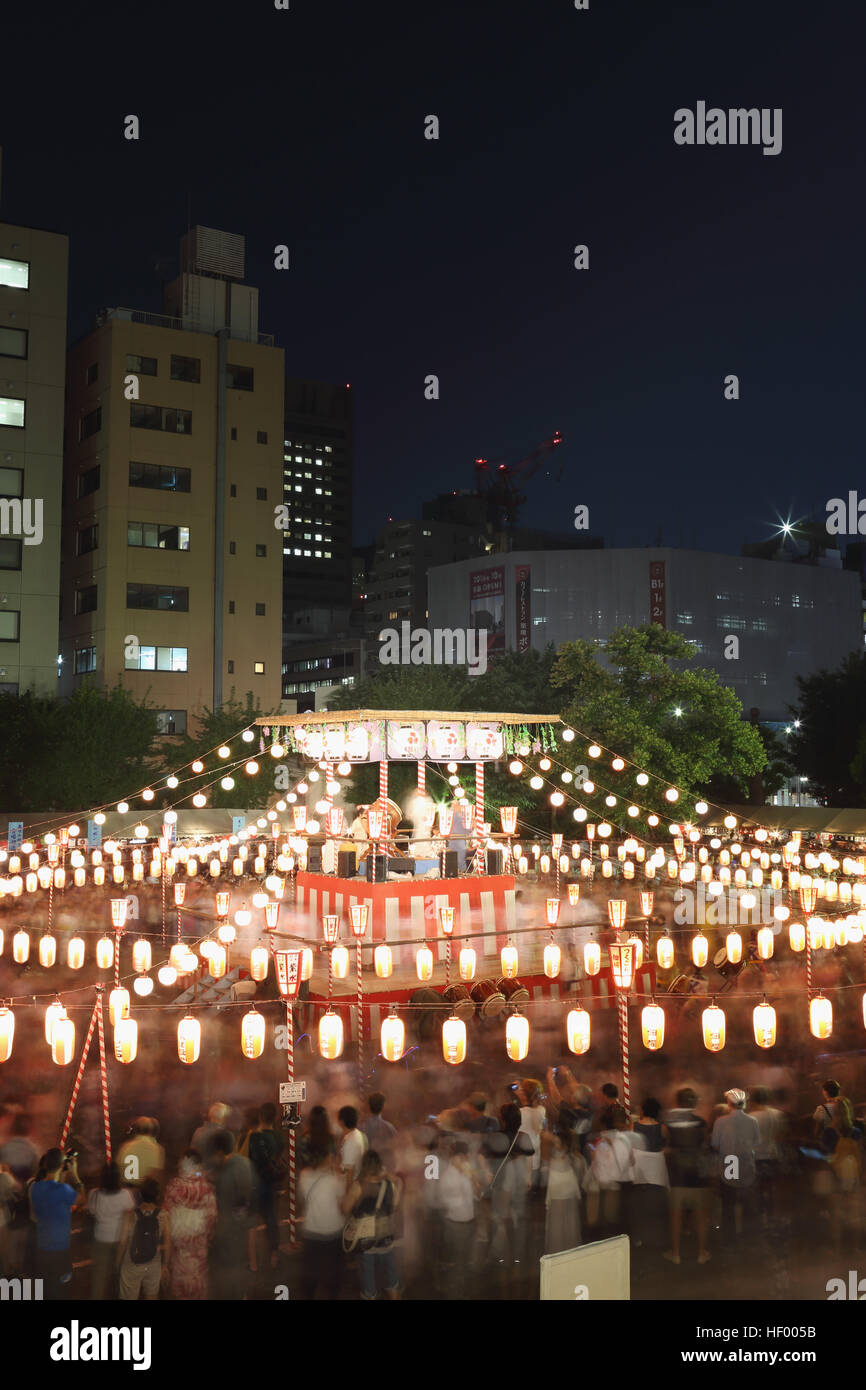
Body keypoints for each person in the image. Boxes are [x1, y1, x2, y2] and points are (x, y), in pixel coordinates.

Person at [342, 1149, 402, 1300]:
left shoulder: (358, 1186)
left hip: (366, 1243)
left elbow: (345, 1209)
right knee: (392, 1282)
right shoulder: (390, 1185)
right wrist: (396, 1180)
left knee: (369, 1287)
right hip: (386, 1240)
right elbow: (394, 1206)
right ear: (380, 1166)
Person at [663, 1088, 711, 1265]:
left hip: (677, 1171)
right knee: (700, 1214)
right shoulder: (700, 1122)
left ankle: (675, 1253)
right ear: (693, 1103)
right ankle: (702, 1252)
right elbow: (705, 1145)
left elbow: (666, 1144)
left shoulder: (669, 1122)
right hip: (697, 1172)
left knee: (676, 1215)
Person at [163, 1149, 218, 1300]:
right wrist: (208, 1234)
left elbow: (166, 1216)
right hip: (199, 1243)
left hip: (179, 1244)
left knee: (180, 1282)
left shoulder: (175, 1186)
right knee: (198, 1279)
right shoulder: (206, 1187)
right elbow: (212, 1216)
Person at [710, 1089, 760, 1248]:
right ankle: (747, 1236)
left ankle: (729, 1239)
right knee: (746, 1202)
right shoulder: (752, 1121)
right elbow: (756, 1143)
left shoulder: (720, 1121)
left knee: (728, 1204)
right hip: (746, 1164)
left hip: (728, 1164)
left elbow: (715, 1144)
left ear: (729, 1103)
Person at [29, 1148, 82, 1298]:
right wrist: (75, 1175)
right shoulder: (63, 1190)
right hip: (60, 1251)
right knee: (62, 1291)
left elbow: (54, 1191)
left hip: (42, 1248)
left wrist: (60, 1172)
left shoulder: (35, 1187)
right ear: (61, 1166)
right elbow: (81, 1200)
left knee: (45, 1290)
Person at [486, 1103, 534, 1268]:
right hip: (520, 1182)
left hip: (501, 1183)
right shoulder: (524, 1136)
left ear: (503, 1119)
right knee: (518, 1218)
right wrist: (528, 1178)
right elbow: (529, 1158)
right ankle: (518, 1255)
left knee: (501, 1218)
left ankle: (501, 1255)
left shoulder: (495, 1137)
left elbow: (487, 1159)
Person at [211, 1129, 255, 1299]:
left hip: (228, 1228)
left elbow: (222, 1202)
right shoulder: (245, 1162)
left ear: (219, 1150)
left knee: (229, 1270)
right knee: (240, 1266)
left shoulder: (224, 1171)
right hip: (244, 1222)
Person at [299, 1147, 345, 1300]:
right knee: (334, 1272)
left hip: (311, 1230)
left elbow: (303, 1200)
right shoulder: (336, 1179)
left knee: (310, 1272)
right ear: (328, 1159)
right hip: (333, 1231)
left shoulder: (304, 1175)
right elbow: (342, 1205)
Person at [117, 1177, 170, 1301]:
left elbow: (123, 1242)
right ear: (157, 1195)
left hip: (132, 1263)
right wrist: (165, 1266)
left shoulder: (130, 1215)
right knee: (151, 1296)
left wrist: (118, 1262)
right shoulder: (164, 1215)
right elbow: (167, 1244)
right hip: (154, 1262)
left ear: (140, 1194)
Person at [87, 1162, 135, 1299]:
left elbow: (91, 1211)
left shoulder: (94, 1194)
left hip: (100, 1239)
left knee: (99, 1279)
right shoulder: (125, 1195)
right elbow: (131, 1214)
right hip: (120, 1240)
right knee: (120, 1277)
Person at [438, 1142, 480, 1297]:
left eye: (466, 1156)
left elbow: (476, 1196)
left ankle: (461, 1290)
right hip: (456, 1224)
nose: (466, 1159)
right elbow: (449, 1204)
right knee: (457, 1263)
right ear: (455, 1157)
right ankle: (454, 1292)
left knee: (464, 1261)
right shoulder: (447, 1177)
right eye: (463, 1156)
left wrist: (474, 1180)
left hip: (469, 1221)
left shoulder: (465, 1172)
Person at [249, 1102, 285, 1269]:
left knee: (251, 1221)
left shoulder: (255, 1136)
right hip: (271, 1182)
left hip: (255, 1182)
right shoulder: (278, 1137)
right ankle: (274, 1253)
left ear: (261, 1117)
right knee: (271, 1217)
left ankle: (253, 1259)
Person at [543, 1129, 587, 1254]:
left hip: (556, 1187)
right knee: (570, 1220)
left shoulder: (552, 1156)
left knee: (557, 1222)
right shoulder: (575, 1158)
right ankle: (570, 1250)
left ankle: (557, 1250)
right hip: (569, 1187)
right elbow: (580, 1173)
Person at [749, 1087, 785, 1221]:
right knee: (770, 1189)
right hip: (773, 1156)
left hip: (756, 1158)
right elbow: (781, 1136)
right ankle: (771, 1218)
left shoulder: (751, 1117)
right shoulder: (778, 1114)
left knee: (757, 1190)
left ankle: (759, 1218)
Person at [117, 1117, 165, 1189]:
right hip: (143, 1191)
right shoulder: (156, 1149)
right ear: (152, 1131)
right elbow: (155, 1176)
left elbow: (117, 1170)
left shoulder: (125, 1146)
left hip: (125, 1190)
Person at [519, 1079, 547, 1191]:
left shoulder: (519, 1112)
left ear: (525, 1095)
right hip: (535, 1156)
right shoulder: (541, 1110)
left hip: (521, 1159)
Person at [191, 1103, 231, 1177]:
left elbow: (192, 1154)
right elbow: (224, 1160)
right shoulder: (223, 1134)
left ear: (210, 1115)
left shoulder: (198, 1131)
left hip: (198, 1175)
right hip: (214, 1178)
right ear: (223, 1118)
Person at [361, 1093, 397, 1172]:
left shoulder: (362, 1127)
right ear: (383, 1106)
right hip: (384, 1168)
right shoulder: (389, 1128)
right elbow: (394, 1150)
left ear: (369, 1106)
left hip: (367, 1168)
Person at [338, 1106, 368, 1181]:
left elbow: (349, 1172)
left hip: (350, 1182)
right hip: (356, 1179)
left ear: (341, 1121)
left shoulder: (350, 1141)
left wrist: (347, 1191)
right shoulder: (359, 1134)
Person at [813, 1080, 846, 1150]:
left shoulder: (821, 1109)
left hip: (828, 1144)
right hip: (843, 1142)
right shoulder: (844, 1106)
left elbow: (817, 1131)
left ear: (825, 1092)